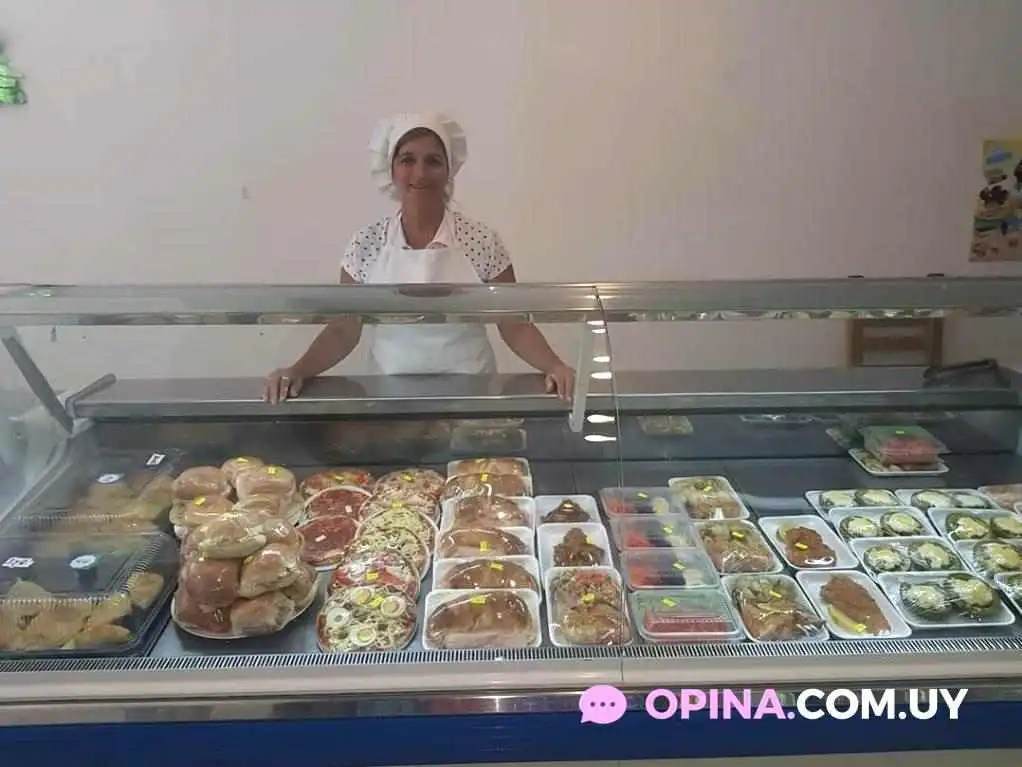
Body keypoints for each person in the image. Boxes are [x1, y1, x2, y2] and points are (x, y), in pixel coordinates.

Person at [264, 112, 576, 403]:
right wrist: (298, 370)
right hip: (389, 399)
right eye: (407, 160)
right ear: (391, 169)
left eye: (433, 161)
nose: (420, 173)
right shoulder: (366, 244)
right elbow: (343, 329)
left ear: (449, 170)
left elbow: (514, 324)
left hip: (471, 397)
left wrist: (555, 366)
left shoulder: (481, 241)